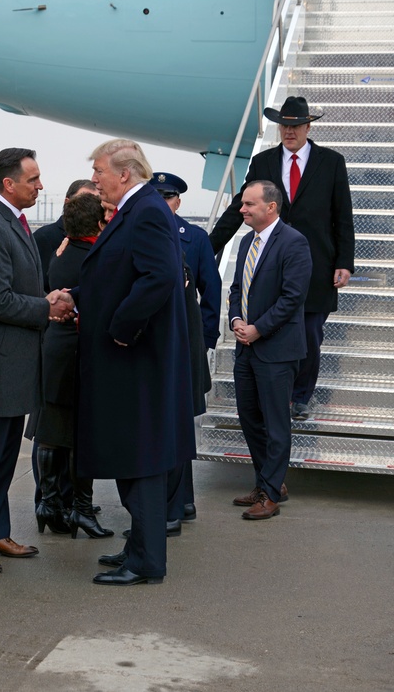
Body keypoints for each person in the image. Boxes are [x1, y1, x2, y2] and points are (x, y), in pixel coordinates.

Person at [76, 139, 195, 585]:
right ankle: (138, 546)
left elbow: (159, 277)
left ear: (124, 173)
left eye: (99, 172)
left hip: (136, 360)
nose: (95, 180)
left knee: (140, 458)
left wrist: (122, 329)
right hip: (133, 362)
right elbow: (117, 276)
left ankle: (146, 561)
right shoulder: (138, 207)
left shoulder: (145, 210)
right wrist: (76, 297)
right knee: (133, 456)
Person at [0, 148, 74, 573]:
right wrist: (47, 308)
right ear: (9, 184)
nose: (40, 186)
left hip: (16, 363)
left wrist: (49, 297)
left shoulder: (11, 220)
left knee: (3, 457)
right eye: (34, 179)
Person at [208, 96, 354, 423]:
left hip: (317, 266)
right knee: (274, 331)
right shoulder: (263, 162)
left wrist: (345, 261)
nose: (289, 130)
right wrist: (208, 246)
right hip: (270, 265)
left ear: (307, 126)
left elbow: (342, 215)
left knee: (309, 336)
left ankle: (301, 397)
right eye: (284, 125)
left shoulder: (331, 162)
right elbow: (239, 208)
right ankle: (277, 396)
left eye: (295, 125)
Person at [228, 181, 312, 520]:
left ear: (270, 207)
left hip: (276, 349)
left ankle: (271, 493)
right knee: (250, 420)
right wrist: (235, 319)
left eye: (249, 204)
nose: (242, 209)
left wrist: (258, 328)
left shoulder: (294, 242)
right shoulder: (248, 240)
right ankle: (267, 482)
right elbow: (237, 288)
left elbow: (293, 298)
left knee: (276, 425)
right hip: (246, 348)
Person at [34, 193, 112, 539]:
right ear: (98, 224)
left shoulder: (61, 254)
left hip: (56, 346)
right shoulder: (96, 258)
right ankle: (81, 508)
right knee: (82, 434)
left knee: (52, 429)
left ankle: (50, 504)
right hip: (81, 350)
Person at [149, 171, 220, 526]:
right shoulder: (143, 231)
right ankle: (178, 502)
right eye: (157, 196)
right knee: (169, 423)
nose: (164, 203)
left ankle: (182, 501)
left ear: (178, 202)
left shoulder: (194, 237)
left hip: (186, 339)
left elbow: (211, 290)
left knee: (181, 422)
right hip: (160, 342)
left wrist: (206, 339)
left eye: (169, 197)